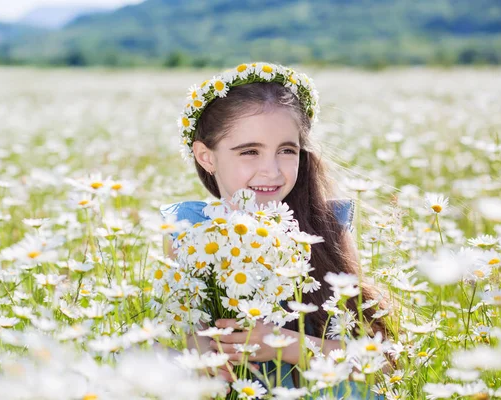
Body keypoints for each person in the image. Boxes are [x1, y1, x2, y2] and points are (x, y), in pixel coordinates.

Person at [160, 62, 390, 398]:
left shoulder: (326, 228)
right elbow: (184, 332)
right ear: (206, 157)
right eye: (250, 152)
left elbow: (384, 363)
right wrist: (202, 354)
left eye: (286, 150)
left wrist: (291, 346)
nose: (271, 170)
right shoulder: (188, 231)